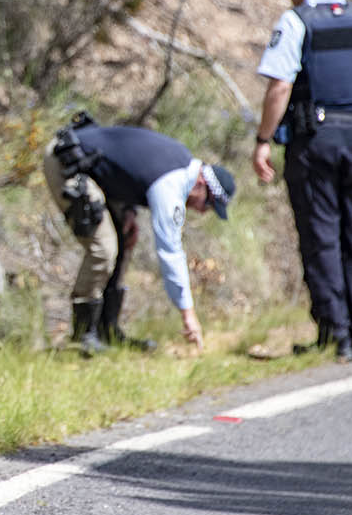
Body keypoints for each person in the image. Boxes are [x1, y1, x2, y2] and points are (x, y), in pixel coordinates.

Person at [251, 0, 352, 363]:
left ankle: (337, 334)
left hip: (316, 144)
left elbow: (279, 89)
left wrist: (263, 140)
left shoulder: (296, 22)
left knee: (322, 238)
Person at [42, 116, 235, 356]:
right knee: (103, 248)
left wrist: (129, 211)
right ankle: (82, 337)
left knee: (124, 241)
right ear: (201, 184)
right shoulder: (171, 186)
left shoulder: (179, 165)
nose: (201, 210)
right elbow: (170, 252)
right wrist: (188, 314)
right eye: (207, 204)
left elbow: (127, 168)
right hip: (66, 160)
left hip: (89, 165)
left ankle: (107, 331)